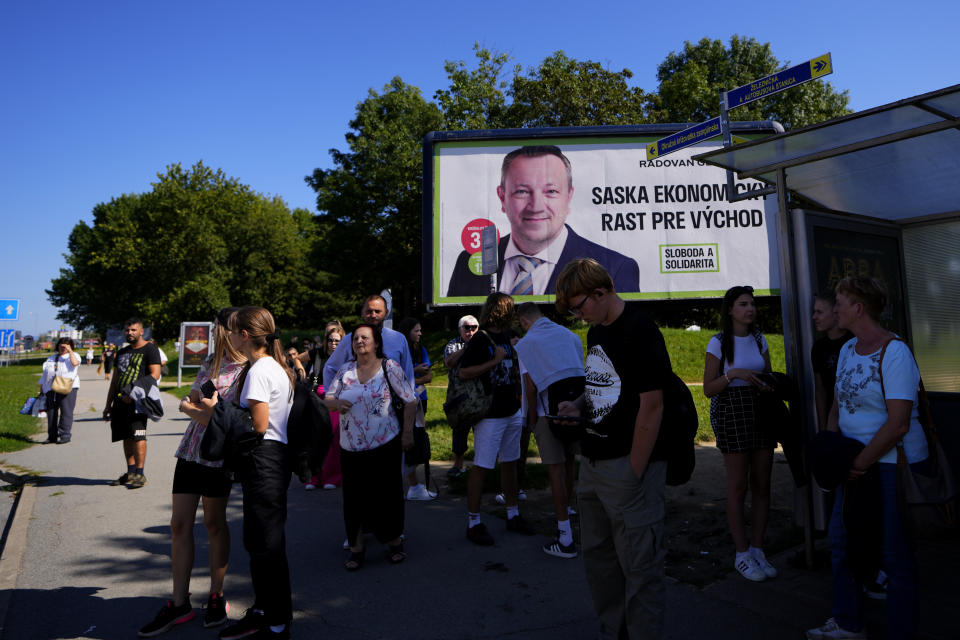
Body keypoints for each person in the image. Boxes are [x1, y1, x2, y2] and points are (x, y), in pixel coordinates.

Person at [554, 258, 672, 640]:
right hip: (593, 464)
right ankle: (613, 630)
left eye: (579, 306)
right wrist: (579, 405)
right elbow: (604, 386)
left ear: (601, 292)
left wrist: (634, 471)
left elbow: (652, 405)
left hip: (627, 467)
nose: (578, 315)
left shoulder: (641, 329)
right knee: (600, 563)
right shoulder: (598, 332)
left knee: (640, 570)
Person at [806, 277, 928, 640]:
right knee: (843, 543)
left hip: (890, 466)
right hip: (854, 466)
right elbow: (839, 404)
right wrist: (833, 445)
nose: (836, 308)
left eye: (840, 302)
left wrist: (860, 463)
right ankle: (847, 623)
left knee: (893, 554)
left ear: (859, 308)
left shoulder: (895, 352)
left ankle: (902, 631)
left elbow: (899, 422)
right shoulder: (847, 349)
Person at [138, 308, 245, 637]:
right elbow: (195, 398)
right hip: (190, 452)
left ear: (232, 330)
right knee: (179, 523)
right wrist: (193, 405)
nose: (214, 334)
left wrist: (191, 408)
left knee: (214, 524)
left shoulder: (249, 369)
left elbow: (223, 422)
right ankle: (179, 602)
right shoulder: (211, 361)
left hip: (217, 456)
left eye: (218, 329)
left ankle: (216, 595)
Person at [446, 145, 639, 297]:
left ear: (569, 196)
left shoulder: (614, 269)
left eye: (551, 191)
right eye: (521, 191)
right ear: (502, 197)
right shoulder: (468, 264)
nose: (536, 206)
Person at [216, 306, 295, 640]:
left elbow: (259, 425)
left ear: (245, 335)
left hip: (265, 460)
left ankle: (277, 622)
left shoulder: (261, 369)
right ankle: (265, 610)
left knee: (267, 544)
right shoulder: (272, 366)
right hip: (271, 460)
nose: (230, 336)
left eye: (234, 330)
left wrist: (217, 413)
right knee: (260, 541)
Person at [324, 324, 417, 570]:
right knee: (354, 500)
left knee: (387, 495)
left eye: (365, 338)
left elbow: (410, 401)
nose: (359, 342)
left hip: (385, 443)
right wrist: (336, 403)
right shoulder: (345, 370)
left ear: (376, 343)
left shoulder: (390, 367)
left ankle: (394, 542)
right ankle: (356, 549)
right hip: (351, 446)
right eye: (355, 338)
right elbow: (327, 400)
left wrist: (408, 434)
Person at [702, 286, 778, 583]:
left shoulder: (760, 340)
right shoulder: (718, 342)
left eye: (753, 304)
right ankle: (742, 553)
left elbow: (769, 375)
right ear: (730, 309)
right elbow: (708, 389)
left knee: (762, 483)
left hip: (760, 410)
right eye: (743, 304)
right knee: (738, 486)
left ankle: (758, 549)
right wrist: (733, 374)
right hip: (733, 413)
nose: (750, 309)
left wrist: (767, 384)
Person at [460, 293, 535, 546]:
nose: (513, 311)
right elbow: (464, 371)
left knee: (511, 463)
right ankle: (473, 522)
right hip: (489, 415)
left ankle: (513, 515)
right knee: (482, 465)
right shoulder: (481, 339)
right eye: (509, 307)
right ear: (499, 309)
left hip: (512, 410)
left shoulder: (507, 336)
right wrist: (494, 360)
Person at [514, 302, 584, 559]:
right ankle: (573, 510)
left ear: (523, 321)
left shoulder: (526, 344)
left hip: (547, 413)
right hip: (577, 409)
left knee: (555, 469)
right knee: (570, 463)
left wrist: (532, 420)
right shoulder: (570, 336)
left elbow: (530, 388)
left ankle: (564, 537)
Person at [103, 318, 162, 489]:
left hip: (138, 402)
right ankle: (130, 471)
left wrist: (132, 390)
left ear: (141, 331)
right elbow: (115, 380)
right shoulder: (122, 352)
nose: (130, 333)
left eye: (133, 330)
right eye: (127, 330)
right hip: (120, 402)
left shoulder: (150, 349)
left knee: (138, 436)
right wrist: (108, 405)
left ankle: (140, 474)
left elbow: (155, 374)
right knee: (125, 436)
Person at [322, 295, 415, 392]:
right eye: (369, 311)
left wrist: (412, 398)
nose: (373, 315)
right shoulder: (349, 340)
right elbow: (330, 368)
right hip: (355, 403)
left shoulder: (398, 339)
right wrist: (333, 397)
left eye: (377, 311)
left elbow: (407, 373)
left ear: (386, 313)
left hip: (391, 404)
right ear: (362, 313)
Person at [297, 321, 344, 491]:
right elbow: (296, 359)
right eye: (331, 340)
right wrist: (301, 372)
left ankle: (332, 476)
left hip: (336, 399)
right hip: (317, 397)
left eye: (337, 341)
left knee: (333, 440)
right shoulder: (318, 354)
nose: (333, 344)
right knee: (314, 439)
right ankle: (312, 477)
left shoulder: (347, 357)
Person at [398, 317, 436, 501]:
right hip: (405, 402)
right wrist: (414, 371)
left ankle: (415, 485)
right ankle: (414, 486)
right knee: (406, 441)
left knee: (416, 441)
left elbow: (428, 377)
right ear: (407, 332)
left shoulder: (421, 350)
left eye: (420, 330)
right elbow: (396, 377)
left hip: (420, 400)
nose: (420, 333)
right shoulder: (399, 350)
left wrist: (412, 376)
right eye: (416, 330)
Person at [811, 290, 853, 431]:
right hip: (833, 422)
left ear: (836, 313)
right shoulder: (819, 347)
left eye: (820, 312)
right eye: (814, 312)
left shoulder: (854, 341)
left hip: (855, 419)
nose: (814, 317)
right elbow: (820, 390)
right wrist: (824, 430)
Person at [443, 314, 479, 478]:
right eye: (467, 328)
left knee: (482, 432)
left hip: (479, 397)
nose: (470, 331)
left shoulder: (483, 343)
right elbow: (449, 362)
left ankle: (481, 467)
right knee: (459, 431)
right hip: (459, 397)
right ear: (460, 329)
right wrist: (466, 349)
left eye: (474, 328)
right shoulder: (454, 344)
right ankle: (458, 466)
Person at [40, 337, 81, 444]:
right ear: (57, 346)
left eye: (66, 345)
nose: (63, 347)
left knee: (66, 411)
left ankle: (65, 435)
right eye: (61, 345)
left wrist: (70, 351)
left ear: (71, 346)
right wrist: (41, 388)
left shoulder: (74, 355)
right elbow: (45, 374)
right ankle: (52, 436)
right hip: (51, 388)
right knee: (51, 412)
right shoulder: (51, 358)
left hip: (68, 387)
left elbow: (75, 363)